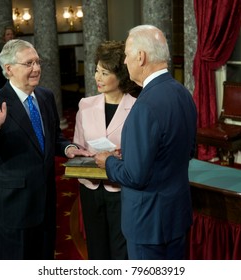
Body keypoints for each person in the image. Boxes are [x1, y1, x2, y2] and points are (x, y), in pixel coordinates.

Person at [0, 39, 92, 260]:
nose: (36, 68)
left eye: (37, 62)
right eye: (28, 63)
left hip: (45, 203)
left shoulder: (45, 96)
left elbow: (53, 138)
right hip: (13, 208)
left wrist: (68, 149)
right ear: (9, 69)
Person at [94, 25, 197, 260]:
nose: (126, 61)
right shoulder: (183, 94)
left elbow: (134, 176)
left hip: (148, 224)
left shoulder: (145, 106)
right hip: (176, 217)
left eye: (127, 55)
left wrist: (108, 161)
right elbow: (188, 151)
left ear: (141, 57)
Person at [73, 41, 140, 260]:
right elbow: (79, 145)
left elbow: (141, 152)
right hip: (90, 187)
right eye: (96, 71)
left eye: (104, 72)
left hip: (121, 188)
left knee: (121, 249)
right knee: (96, 247)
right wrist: (76, 152)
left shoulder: (137, 107)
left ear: (120, 76)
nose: (97, 77)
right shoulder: (85, 104)